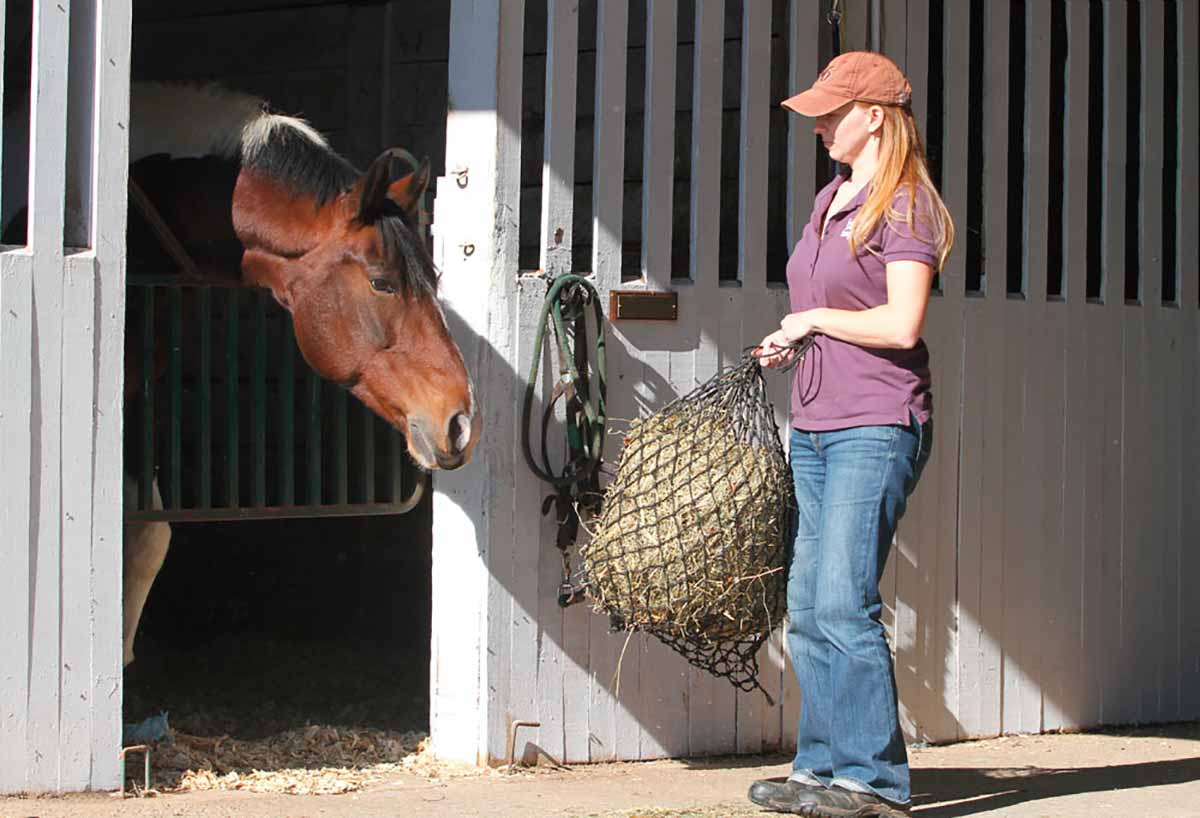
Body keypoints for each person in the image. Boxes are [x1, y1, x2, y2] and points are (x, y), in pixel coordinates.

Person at [750, 51, 954, 818]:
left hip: (877, 422)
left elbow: (902, 324)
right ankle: (820, 771)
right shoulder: (831, 198)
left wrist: (813, 319)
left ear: (875, 115)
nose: (821, 124)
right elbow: (831, 305)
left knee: (842, 601)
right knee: (807, 603)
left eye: (833, 112)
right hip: (816, 423)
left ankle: (874, 783)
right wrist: (791, 338)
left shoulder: (905, 205)